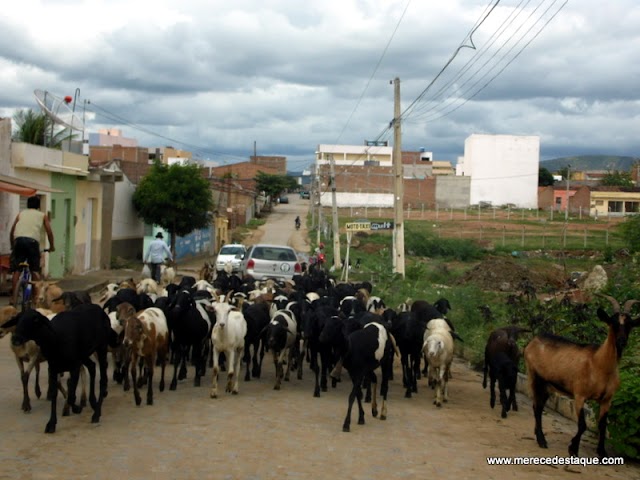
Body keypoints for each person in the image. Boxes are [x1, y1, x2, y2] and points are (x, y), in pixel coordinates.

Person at [9, 196, 55, 306]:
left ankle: (13, 297)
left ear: (27, 205)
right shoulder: (42, 215)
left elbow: (12, 231)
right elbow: (49, 231)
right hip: (32, 242)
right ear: (39, 206)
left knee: (17, 269)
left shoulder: (21, 214)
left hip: (18, 240)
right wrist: (52, 246)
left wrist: (13, 245)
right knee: (34, 270)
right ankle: (35, 297)